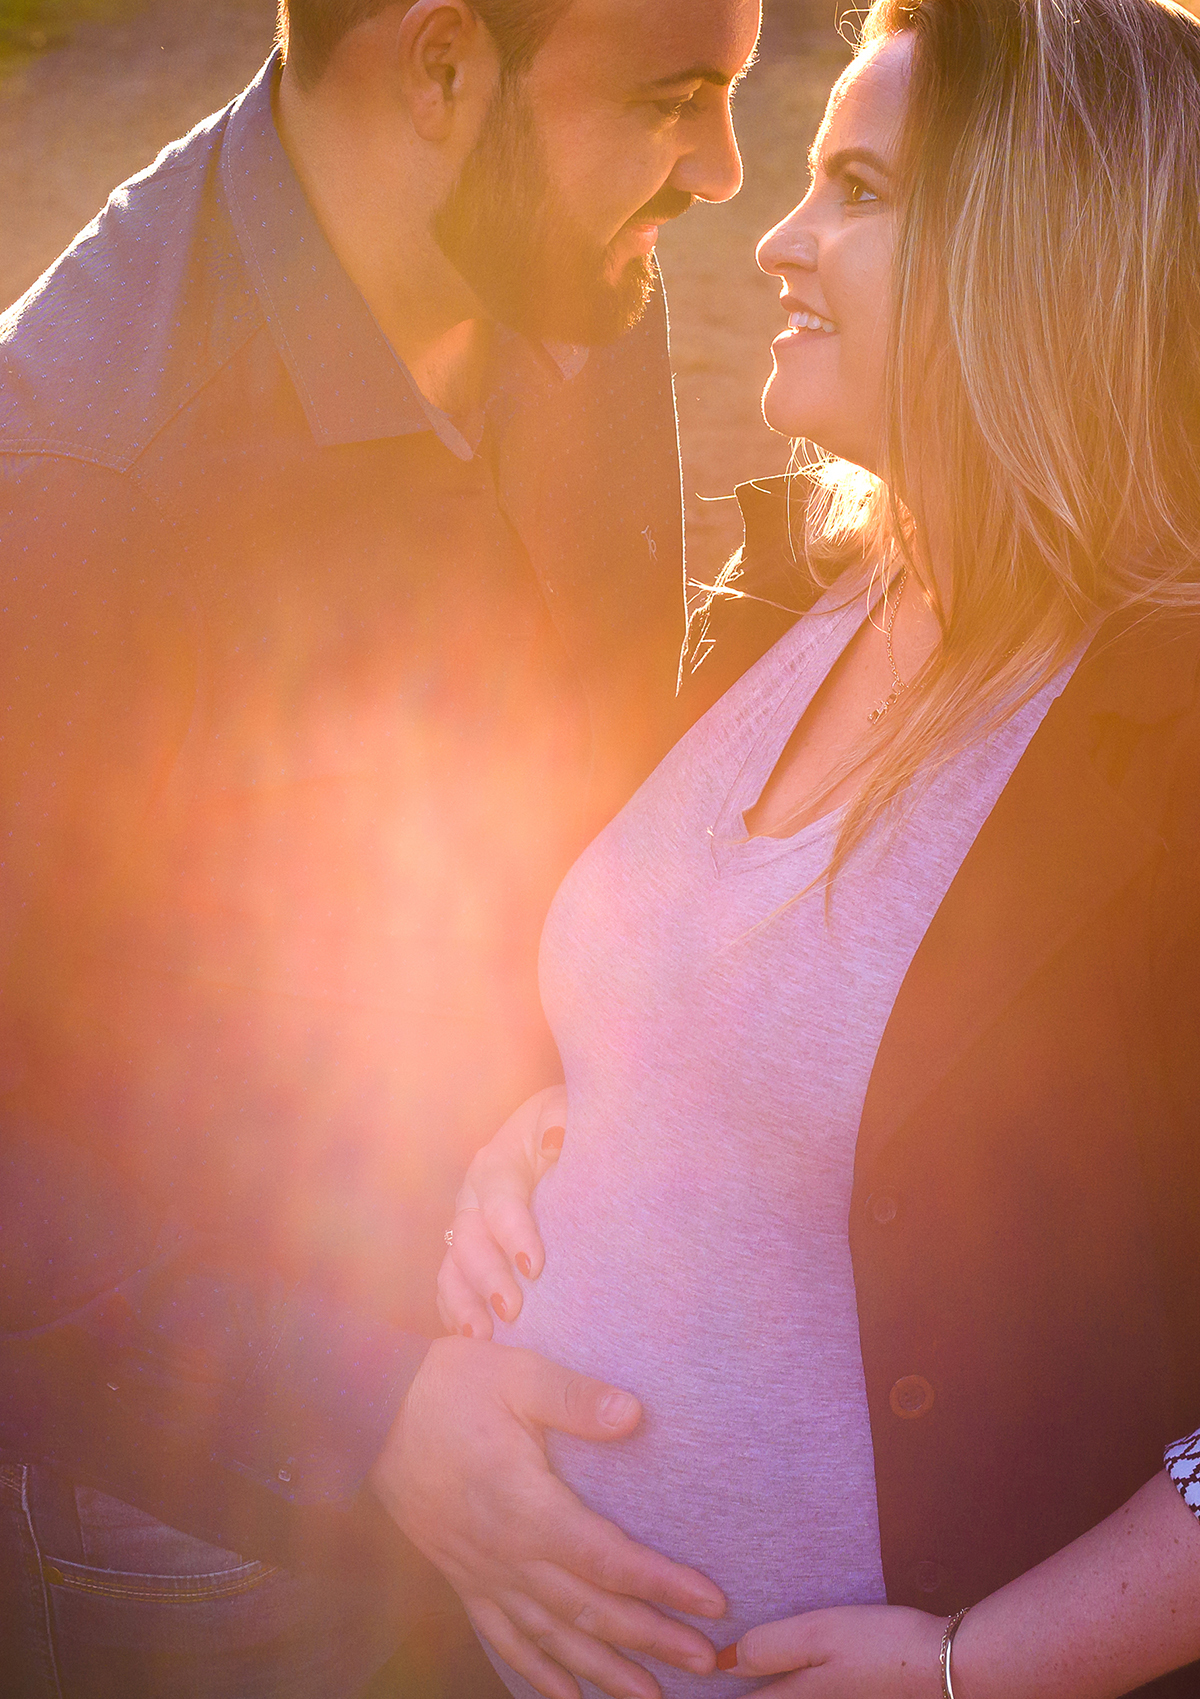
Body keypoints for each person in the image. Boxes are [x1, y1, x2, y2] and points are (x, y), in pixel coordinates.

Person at [0, 1, 769, 1694]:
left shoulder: (560, 263)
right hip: (207, 1521)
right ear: (438, 69)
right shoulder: (65, 474)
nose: (725, 171)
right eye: (677, 99)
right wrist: (373, 1404)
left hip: (516, 1357)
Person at [436, 0, 1200, 1695]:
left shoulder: (1172, 738)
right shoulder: (798, 587)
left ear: (1045, 254)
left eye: (856, 186)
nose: (775, 236)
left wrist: (982, 1670)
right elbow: (689, 1008)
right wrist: (547, 1129)